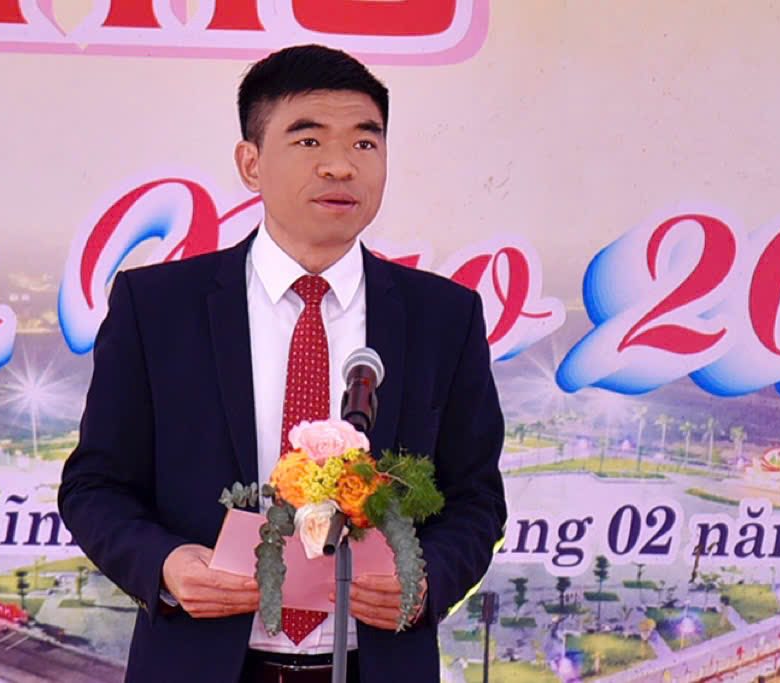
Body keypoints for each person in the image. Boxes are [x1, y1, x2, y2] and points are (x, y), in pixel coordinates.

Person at [58, 44, 506, 683]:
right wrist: (164, 565)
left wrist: (426, 578)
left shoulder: (444, 317)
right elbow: (95, 486)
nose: (340, 166)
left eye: (365, 143)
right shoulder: (156, 307)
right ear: (251, 163)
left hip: (375, 664)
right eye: (308, 141)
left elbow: (475, 498)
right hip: (201, 664)